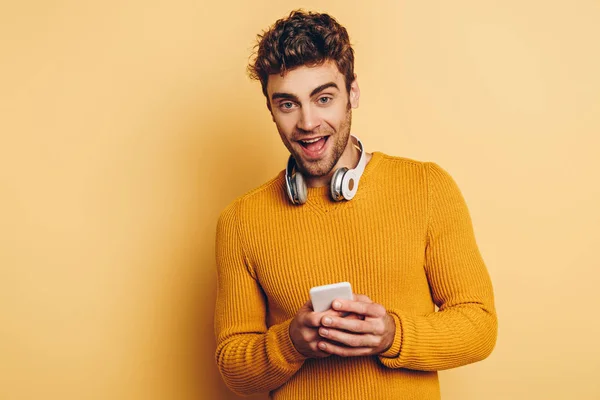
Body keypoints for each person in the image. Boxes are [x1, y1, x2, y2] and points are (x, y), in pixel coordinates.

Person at [214, 9, 497, 400]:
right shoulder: (240, 221)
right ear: (271, 109)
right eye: (288, 104)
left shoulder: (428, 187)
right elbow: (233, 367)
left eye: (324, 98)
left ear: (353, 93)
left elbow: (479, 327)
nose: (308, 122)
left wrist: (393, 335)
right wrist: (290, 343)